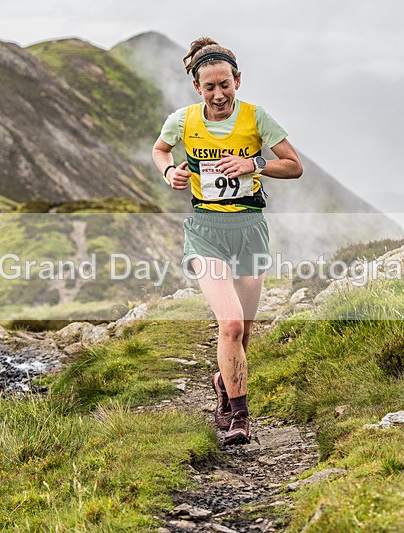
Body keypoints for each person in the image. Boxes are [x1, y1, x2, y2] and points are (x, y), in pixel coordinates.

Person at [152, 37, 303, 445]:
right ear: (196, 88)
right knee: (231, 324)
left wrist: (253, 163)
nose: (218, 94)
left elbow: (294, 166)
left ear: (238, 80)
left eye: (225, 85)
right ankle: (238, 416)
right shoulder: (183, 121)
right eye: (209, 87)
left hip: (249, 229)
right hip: (206, 231)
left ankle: (224, 381)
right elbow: (161, 150)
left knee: (245, 333)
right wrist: (171, 174)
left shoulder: (256, 118)